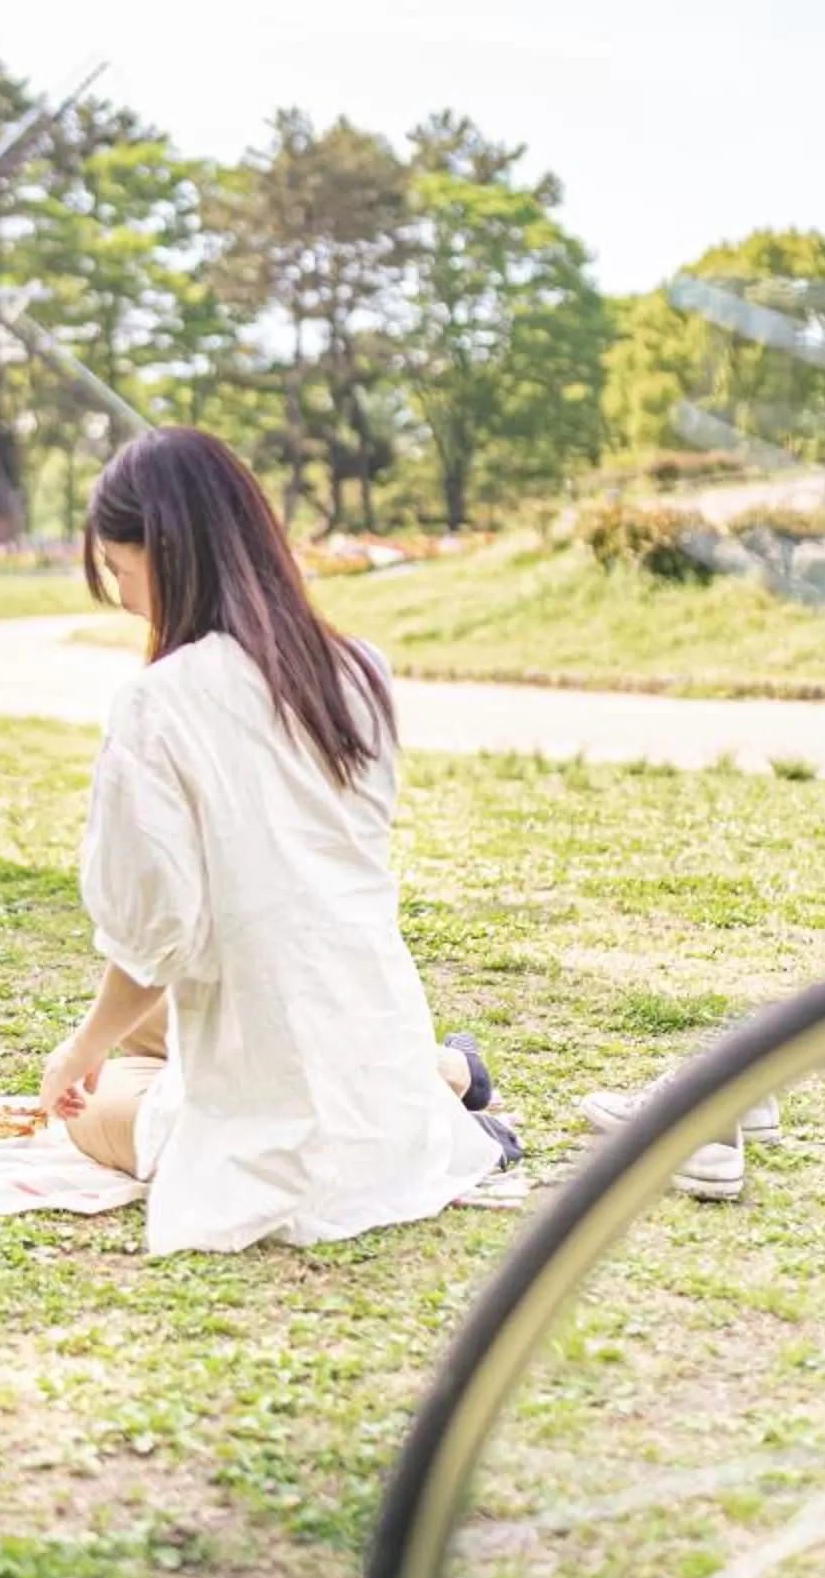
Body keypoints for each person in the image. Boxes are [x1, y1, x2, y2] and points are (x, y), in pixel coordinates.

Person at [38, 426, 517, 1256]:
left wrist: (79, 1050)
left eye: (118, 569)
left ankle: (442, 1077)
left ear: (162, 550)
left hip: (283, 1134)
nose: (120, 597)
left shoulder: (157, 706)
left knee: (93, 1106)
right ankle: (440, 1074)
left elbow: (157, 940)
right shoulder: (357, 671)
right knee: (150, 1034)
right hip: (366, 1015)